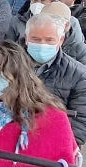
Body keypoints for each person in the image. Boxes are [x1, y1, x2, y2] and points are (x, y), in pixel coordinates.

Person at [24, 12, 86, 146]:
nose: (42, 44)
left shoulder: (78, 75)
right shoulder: (9, 65)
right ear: (26, 38)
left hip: (53, 146)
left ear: (61, 40)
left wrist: (52, 145)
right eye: (35, 39)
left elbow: (80, 123)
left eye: (49, 40)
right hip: (11, 141)